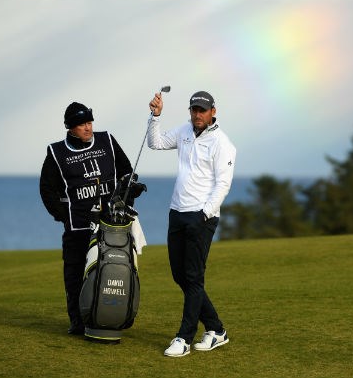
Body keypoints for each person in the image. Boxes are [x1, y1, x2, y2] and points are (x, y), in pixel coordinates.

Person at [147, 90, 236, 357]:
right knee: (180, 275)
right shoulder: (185, 131)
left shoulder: (222, 143)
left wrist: (204, 214)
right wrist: (155, 116)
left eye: (202, 110)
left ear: (213, 112)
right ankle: (216, 329)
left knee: (194, 277)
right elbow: (156, 143)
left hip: (202, 217)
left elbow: (223, 184)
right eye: (194, 109)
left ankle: (184, 339)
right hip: (177, 212)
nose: (197, 114)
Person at [39, 101, 135, 335]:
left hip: (110, 226)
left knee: (110, 272)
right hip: (77, 228)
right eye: (82, 124)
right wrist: (63, 216)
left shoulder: (107, 141)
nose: (88, 128)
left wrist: (126, 198)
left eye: (90, 122)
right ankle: (77, 321)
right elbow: (46, 190)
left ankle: (106, 316)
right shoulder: (56, 152)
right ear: (69, 127)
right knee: (74, 276)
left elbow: (126, 172)